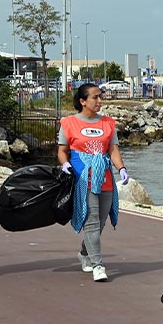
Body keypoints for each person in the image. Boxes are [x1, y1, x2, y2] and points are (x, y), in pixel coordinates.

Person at [57, 83, 131, 284]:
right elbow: (62, 151)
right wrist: (64, 164)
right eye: (95, 97)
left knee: (100, 222)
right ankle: (98, 265)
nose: (100, 101)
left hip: (105, 179)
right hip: (83, 179)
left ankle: (84, 253)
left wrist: (121, 168)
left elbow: (113, 150)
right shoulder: (69, 123)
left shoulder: (108, 123)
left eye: (101, 97)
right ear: (83, 101)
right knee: (91, 221)